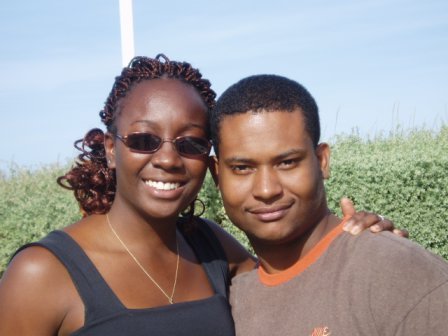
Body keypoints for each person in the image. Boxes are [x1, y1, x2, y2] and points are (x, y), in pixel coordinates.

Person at [0, 55, 400, 336]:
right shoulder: (43, 274)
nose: (169, 159)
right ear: (110, 148)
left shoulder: (211, 247)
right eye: (144, 140)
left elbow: (299, 282)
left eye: (190, 144)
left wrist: (359, 241)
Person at [209, 74, 448, 335]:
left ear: (322, 161)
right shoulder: (232, 302)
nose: (267, 190)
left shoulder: (396, 273)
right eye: (242, 168)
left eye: (287, 162)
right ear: (217, 175)